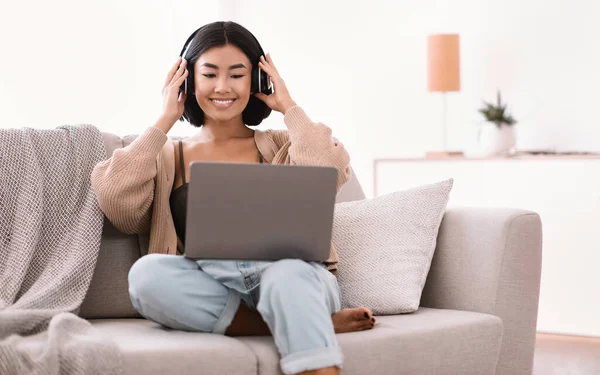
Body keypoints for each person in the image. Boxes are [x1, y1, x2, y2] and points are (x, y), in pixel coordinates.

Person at [91, 21, 374, 375]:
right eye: (209, 74)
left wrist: (289, 106)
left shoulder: (283, 143)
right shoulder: (167, 155)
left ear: (256, 80)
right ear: (187, 80)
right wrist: (164, 120)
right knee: (146, 275)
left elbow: (328, 171)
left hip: (294, 277)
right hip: (213, 284)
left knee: (286, 276)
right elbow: (118, 203)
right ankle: (308, 322)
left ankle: (303, 320)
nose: (222, 87)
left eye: (237, 75)